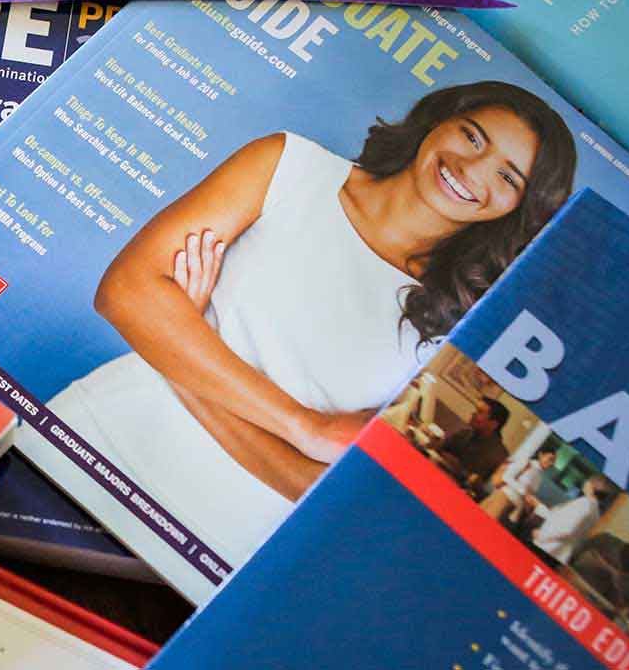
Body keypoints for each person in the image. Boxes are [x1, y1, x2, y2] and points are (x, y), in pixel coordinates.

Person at [48, 81, 577, 564]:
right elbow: (123, 292)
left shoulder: (463, 325)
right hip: (93, 438)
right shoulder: (288, 164)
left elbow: (309, 484)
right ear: (438, 119)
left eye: (508, 176)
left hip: (215, 547)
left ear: (519, 209)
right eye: (471, 136)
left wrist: (182, 336)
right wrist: (305, 426)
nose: (473, 169)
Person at [433, 398, 513, 493]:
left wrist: (461, 470)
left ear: (493, 424)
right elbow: (439, 448)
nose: (473, 414)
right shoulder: (464, 434)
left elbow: (484, 492)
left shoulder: (500, 457)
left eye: (480, 412)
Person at [529, 475, 612, 564]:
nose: (585, 483)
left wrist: (542, 535)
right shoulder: (596, 514)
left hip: (549, 547)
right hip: (559, 555)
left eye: (588, 481)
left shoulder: (584, 503)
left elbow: (567, 529)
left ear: (592, 487)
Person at [481, 448, 554, 524]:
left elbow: (527, 496)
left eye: (553, 462)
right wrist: (523, 491)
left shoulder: (539, 477)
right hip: (503, 497)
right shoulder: (527, 463)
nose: (551, 463)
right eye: (550, 459)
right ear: (541, 455)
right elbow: (506, 476)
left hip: (511, 506)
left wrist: (519, 511)